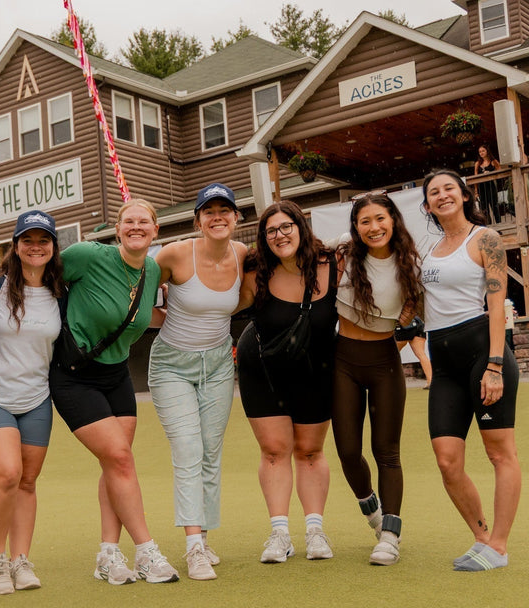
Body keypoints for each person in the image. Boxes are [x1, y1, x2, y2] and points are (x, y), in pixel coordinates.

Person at [50, 198, 179, 584]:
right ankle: (146, 551)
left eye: (144, 222)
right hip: (73, 374)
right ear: (117, 229)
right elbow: (39, 275)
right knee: (121, 458)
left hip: (117, 375)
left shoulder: (153, 270)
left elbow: (149, 313)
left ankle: (108, 554)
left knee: (115, 463)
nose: (136, 227)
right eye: (129, 221)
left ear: (156, 230)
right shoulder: (88, 255)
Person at [420, 169, 522, 571]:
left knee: (500, 454)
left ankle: (499, 545)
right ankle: (481, 539)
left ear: (463, 195)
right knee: (447, 460)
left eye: (449, 189)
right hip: (444, 364)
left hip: (483, 353)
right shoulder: (428, 250)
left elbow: (497, 304)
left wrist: (495, 364)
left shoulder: (486, 239)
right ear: (427, 205)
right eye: (434, 193)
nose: (442, 196)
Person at [150, 183, 248, 581]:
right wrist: (166, 316)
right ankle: (192, 548)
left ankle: (204, 537)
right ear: (198, 220)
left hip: (219, 365)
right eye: (210, 211)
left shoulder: (244, 256)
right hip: (171, 365)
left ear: (237, 218)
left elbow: (243, 300)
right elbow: (136, 296)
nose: (218, 216)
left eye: (226, 210)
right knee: (188, 448)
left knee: (210, 451)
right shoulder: (173, 254)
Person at [0, 210, 64, 595]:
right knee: (6, 473)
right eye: (28, 240)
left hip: (36, 398)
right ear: (15, 246)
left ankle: (21, 559)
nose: (35, 246)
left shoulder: (61, 292)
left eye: (43, 240)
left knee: (27, 480)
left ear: (53, 247)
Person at [236, 200, 337, 563]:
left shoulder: (333, 264)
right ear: (264, 239)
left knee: (309, 450)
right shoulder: (253, 273)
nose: (280, 235)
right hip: (263, 367)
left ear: (301, 227)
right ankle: (280, 534)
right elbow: (218, 304)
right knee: (275, 450)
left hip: (316, 368)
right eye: (271, 230)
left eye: (286, 226)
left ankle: (315, 531)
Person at [333, 193, 424, 566]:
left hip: (385, 361)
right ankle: (372, 509)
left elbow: (415, 305)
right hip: (342, 359)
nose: (374, 227)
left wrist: (409, 313)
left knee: (387, 451)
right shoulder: (344, 256)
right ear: (355, 227)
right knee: (348, 451)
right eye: (364, 221)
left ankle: (390, 534)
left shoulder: (409, 264)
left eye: (380, 219)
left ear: (393, 220)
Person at [473, 144, 502, 225]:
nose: (481, 153)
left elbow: (500, 171)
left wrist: (491, 173)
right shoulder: (477, 163)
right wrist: (476, 191)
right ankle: (488, 227)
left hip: (491, 186)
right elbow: (475, 178)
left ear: (487, 151)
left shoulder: (493, 161)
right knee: (484, 209)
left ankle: (499, 226)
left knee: (495, 207)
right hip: (482, 187)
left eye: (483, 151)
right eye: (480, 152)